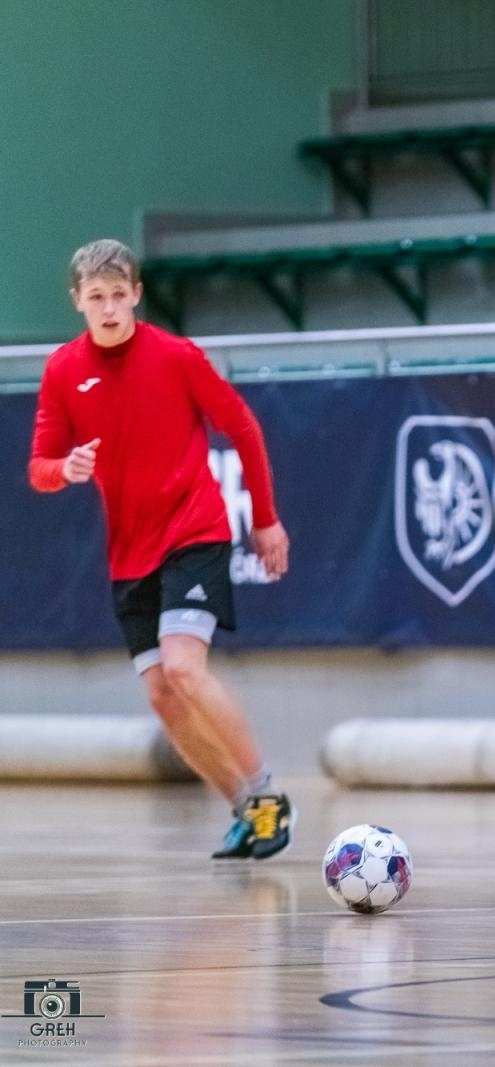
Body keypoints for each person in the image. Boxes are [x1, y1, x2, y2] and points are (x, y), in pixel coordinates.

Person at [28, 239, 294, 860]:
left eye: (119, 294)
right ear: (77, 301)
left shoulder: (176, 356)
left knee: (182, 668)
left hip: (194, 531)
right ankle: (243, 808)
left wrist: (266, 519)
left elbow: (243, 426)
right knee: (163, 699)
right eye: (97, 296)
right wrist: (65, 468)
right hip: (130, 553)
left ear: (137, 295)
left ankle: (268, 794)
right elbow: (39, 467)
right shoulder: (63, 371)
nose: (110, 308)